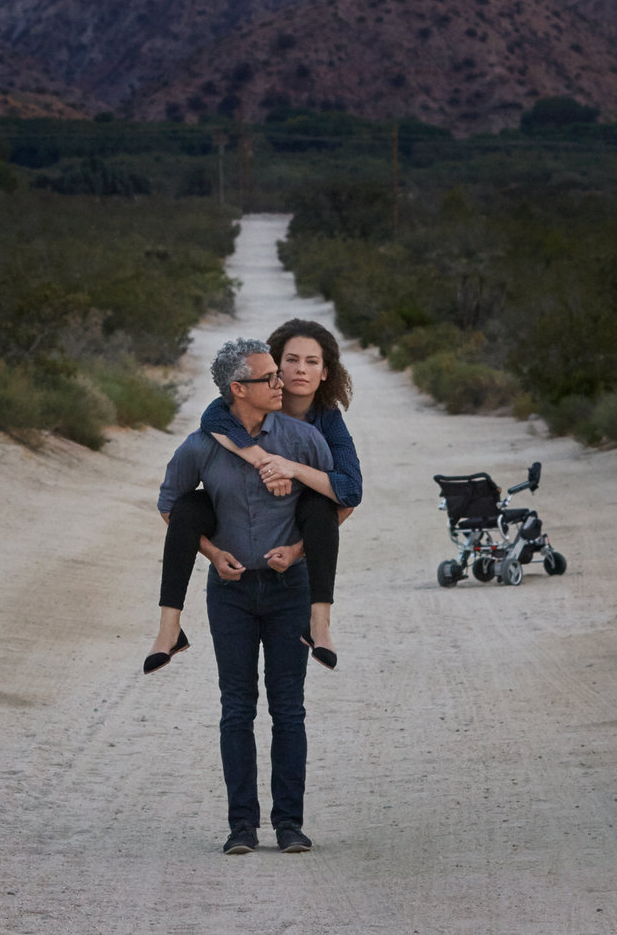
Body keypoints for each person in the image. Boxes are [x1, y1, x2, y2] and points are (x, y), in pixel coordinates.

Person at [153, 337, 332, 854]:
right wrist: (211, 553)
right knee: (237, 709)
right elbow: (171, 508)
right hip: (229, 595)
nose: (283, 384)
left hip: (288, 591)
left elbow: (336, 505)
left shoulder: (301, 441)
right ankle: (241, 827)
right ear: (238, 389)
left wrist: (297, 552)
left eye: (281, 374)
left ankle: (291, 825)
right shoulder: (200, 446)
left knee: (289, 709)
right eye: (270, 378)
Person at [146, 318, 361, 669]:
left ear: (325, 373)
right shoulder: (226, 412)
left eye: (312, 362)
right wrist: (264, 460)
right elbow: (215, 416)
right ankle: (168, 629)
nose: (298, 372)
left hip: (295, 533)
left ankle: (320, 625)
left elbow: (350, 491)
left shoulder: (325, 423)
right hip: (231, 525)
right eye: (290, 360)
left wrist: (290, 469)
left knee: (320, 505)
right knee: (186, 507)